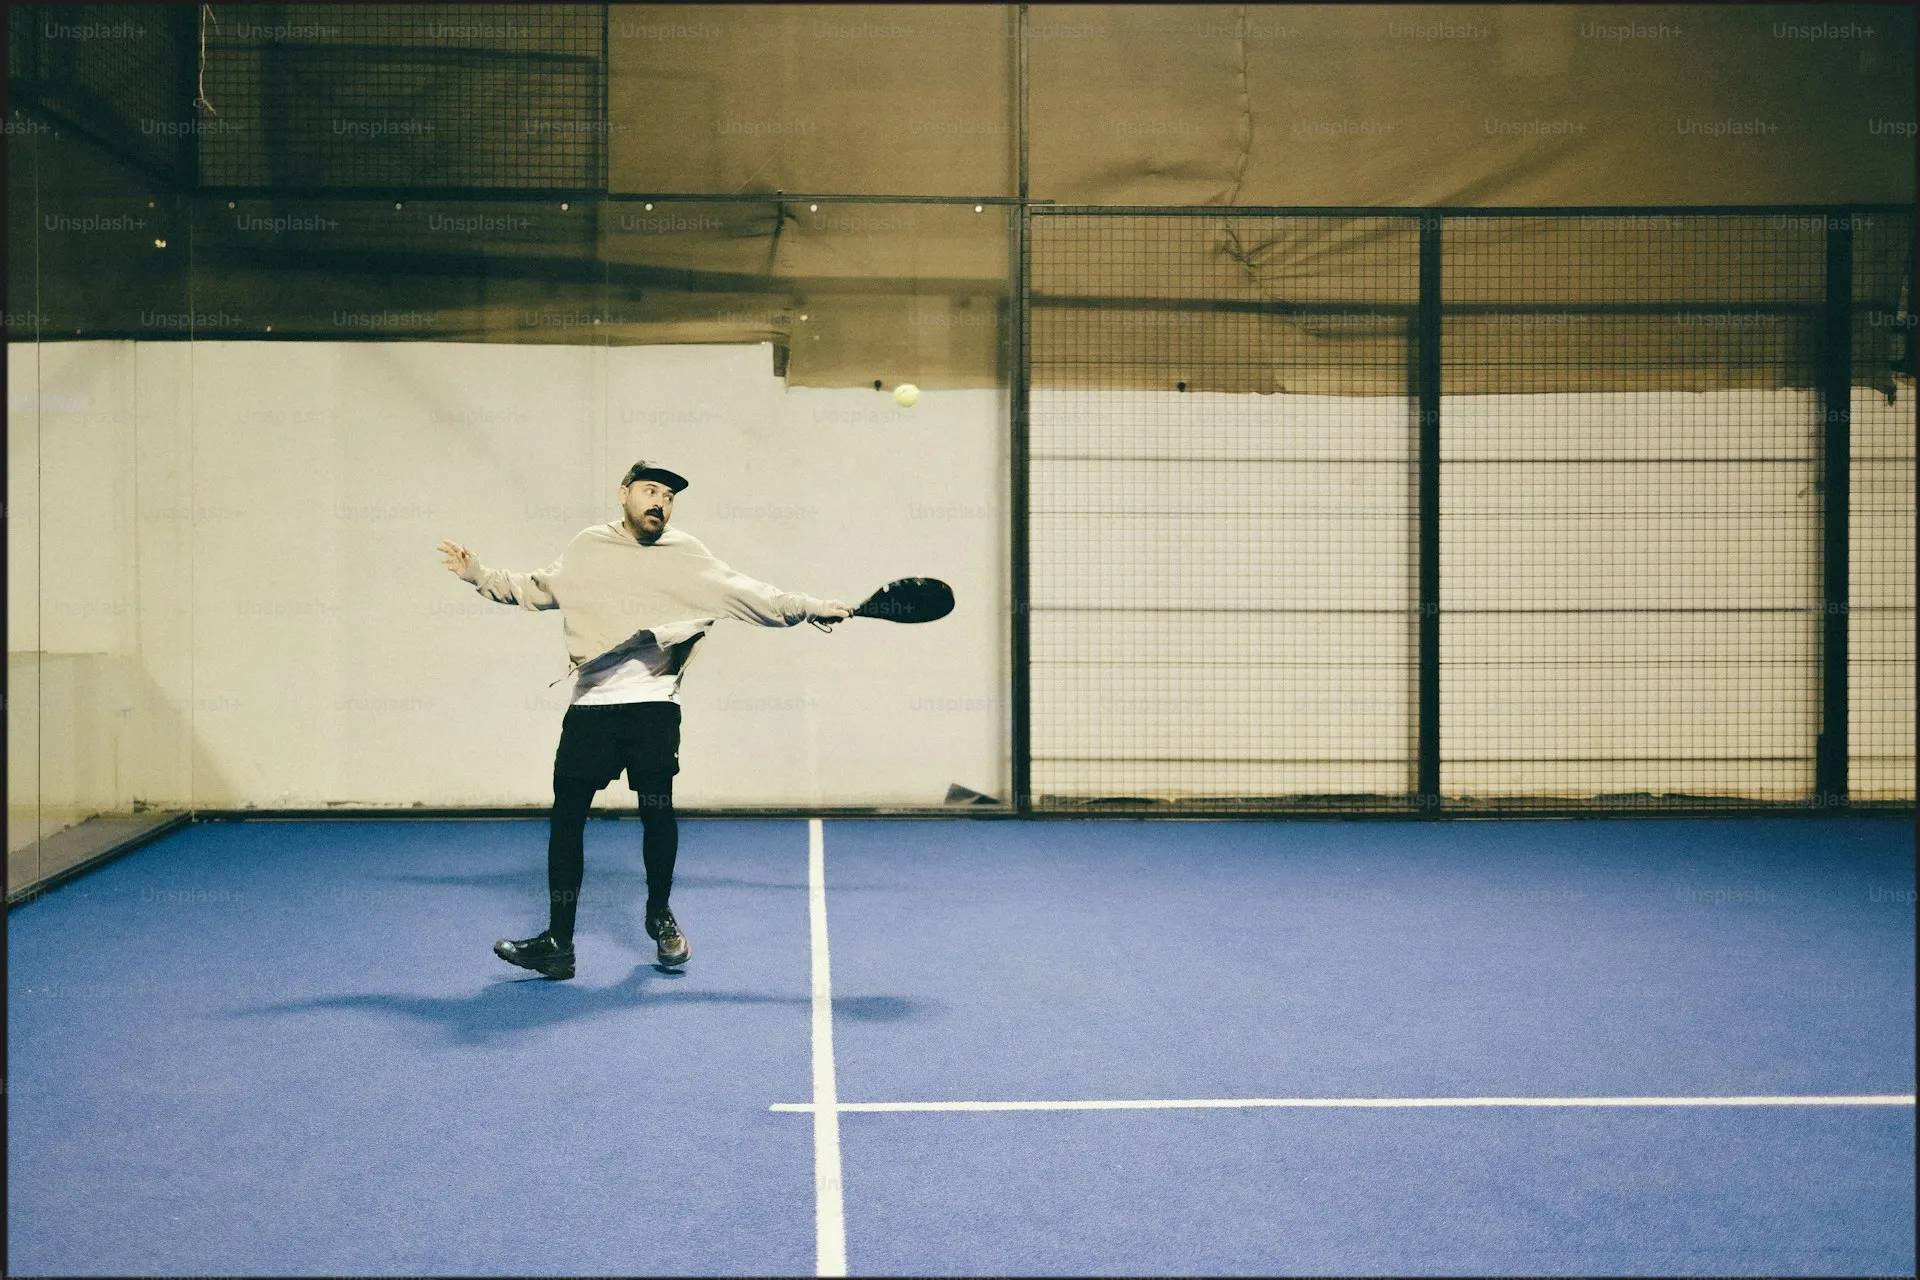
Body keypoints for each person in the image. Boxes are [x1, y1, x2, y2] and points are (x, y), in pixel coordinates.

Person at [438, 461, 849, 979]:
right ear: (624, 495)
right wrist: (478, 575)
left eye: (669, 496)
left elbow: (752, 594)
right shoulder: (589, 546)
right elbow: (538, 589)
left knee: (657, 813)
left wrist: (813, 607)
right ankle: (558, 944)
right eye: (651, 491)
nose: (661, 502)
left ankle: (659, 917)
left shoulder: (686, 555)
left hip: (653, 706)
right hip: (591, 708)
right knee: (566, 823)